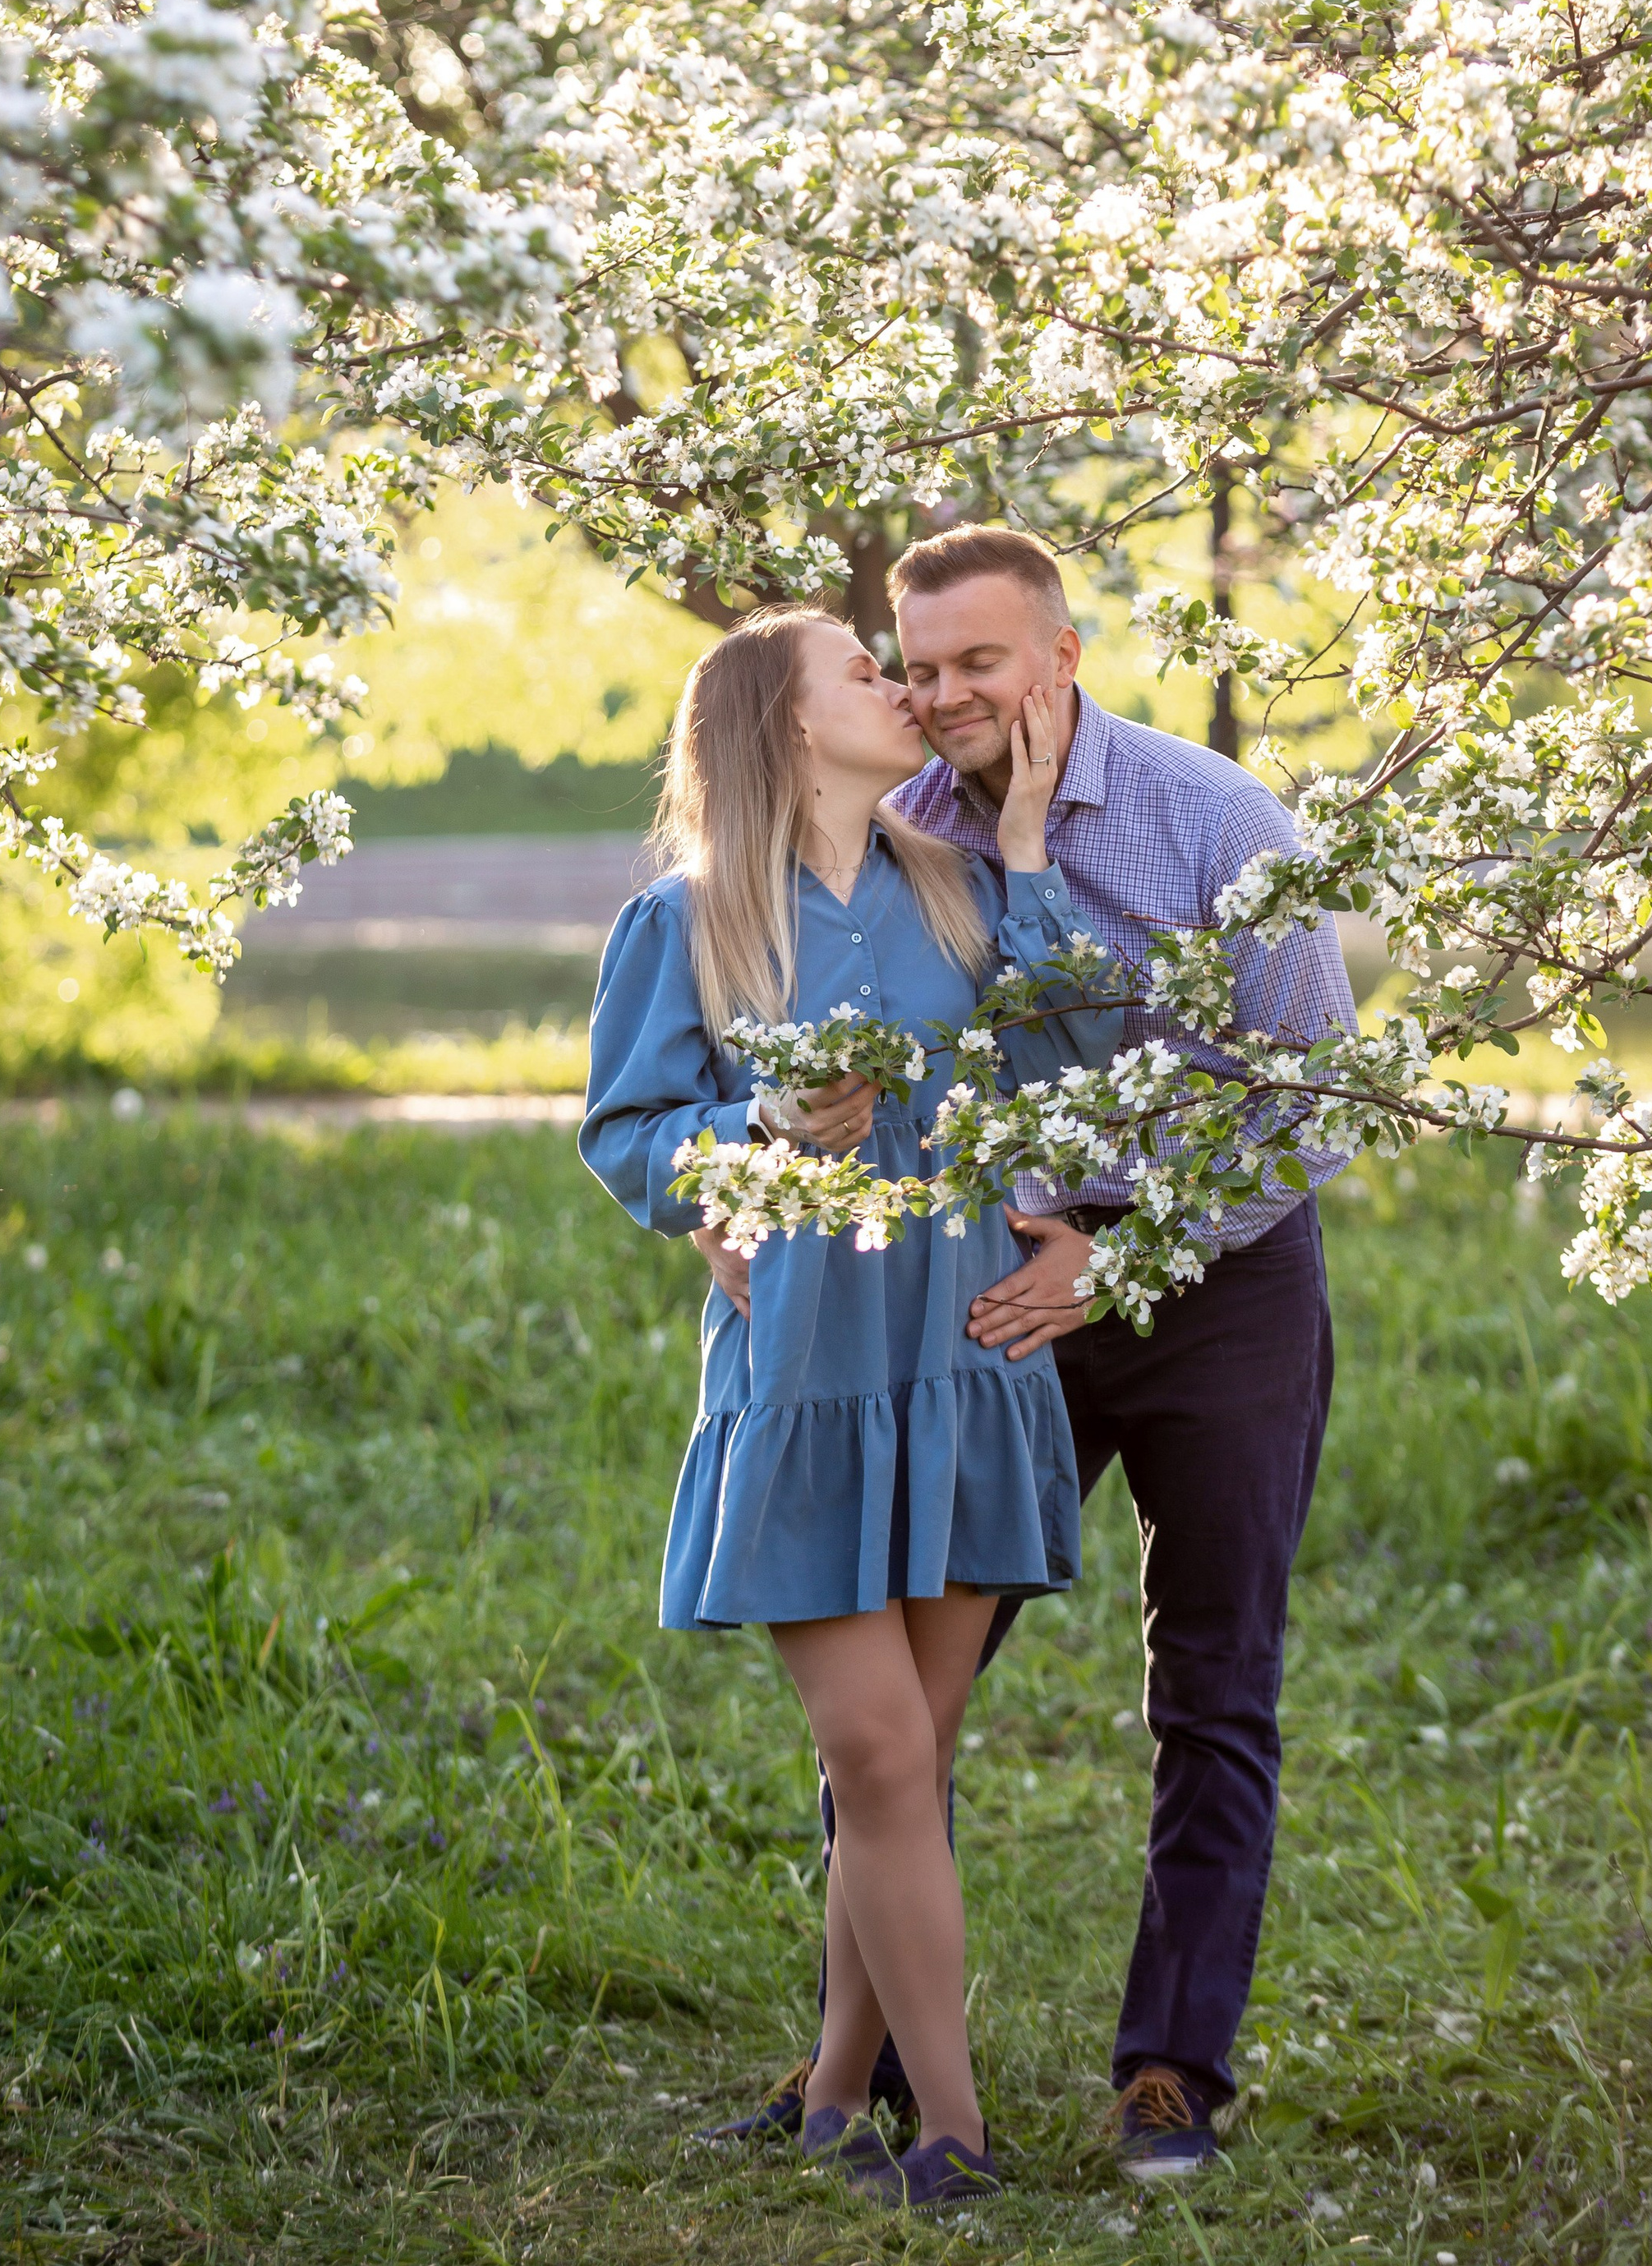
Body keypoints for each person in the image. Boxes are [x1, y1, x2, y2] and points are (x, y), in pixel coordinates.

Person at [720, 528, 1356, 2183]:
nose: (938, 695)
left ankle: (1170, 2070)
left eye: (975, 664)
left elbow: (1307, 1096)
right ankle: (846, 2062)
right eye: (913, 667)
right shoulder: (902, 825)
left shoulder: (1218, 823)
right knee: (904, 1694)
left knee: (1212, 1681)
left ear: (1060, 655)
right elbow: (781, 1021)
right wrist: (745, 1183)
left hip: (1216, 1280)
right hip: (999, 1293)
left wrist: (1127, 1238)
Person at [580, 607, 1121, 2213]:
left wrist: (1025, 843)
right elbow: (630, 1139)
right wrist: (760, 1126)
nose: (899, 685)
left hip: (963, 1364)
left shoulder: (956, 888)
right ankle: (947, 2135)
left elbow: (1082, 1049)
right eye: (860, 670)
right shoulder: (686, 922)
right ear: (788, 726)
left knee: (909, 1760)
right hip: (809, 1382)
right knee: (881, 1756)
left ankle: (833, 2099)